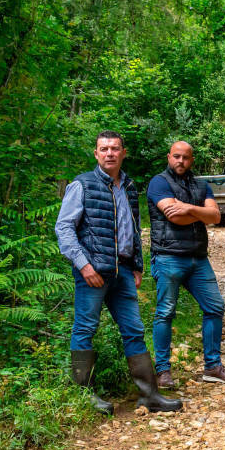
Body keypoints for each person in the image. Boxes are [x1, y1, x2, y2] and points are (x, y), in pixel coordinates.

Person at [55, 131, 182, 415]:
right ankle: (83, 394)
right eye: (104, 149)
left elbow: (133, 229)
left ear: (123, 153)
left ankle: (149, 394)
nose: (110, 153)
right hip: (93, 273)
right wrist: (83, 265)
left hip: (123, 272)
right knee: (85, 329)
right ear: (96, 154)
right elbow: (64, 229)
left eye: (115, 149)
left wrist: (136, 264)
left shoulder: (129, 186)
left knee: (134, 331)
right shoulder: (82, 185)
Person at [147, 141, 225, 387]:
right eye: (176, 156)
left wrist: (187, 207)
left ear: (192, 160)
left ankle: (212, 367)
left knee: (215, 307)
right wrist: (200, 212)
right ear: (169, 157)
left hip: (198, 258)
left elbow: (216, 216)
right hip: (168, 256)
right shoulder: (159, 182)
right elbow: (173, 217)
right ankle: (163, 371)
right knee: (165, 312)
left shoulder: (201, 184)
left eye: (185, 158)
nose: (181, 161)